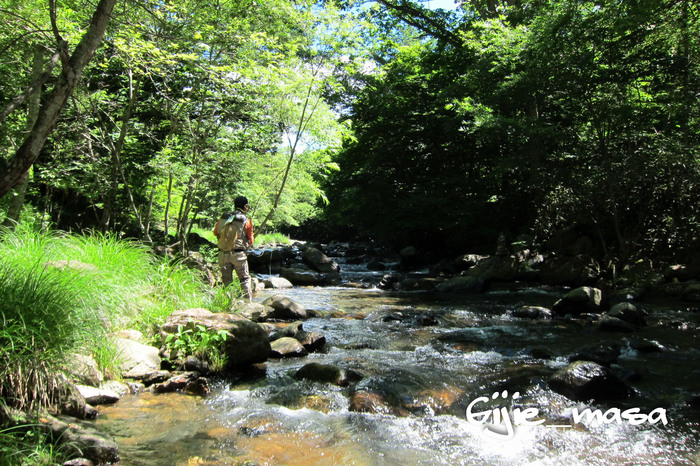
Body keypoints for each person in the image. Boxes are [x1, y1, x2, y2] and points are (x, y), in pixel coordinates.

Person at [213, 196, 254, 301]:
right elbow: (251, 240)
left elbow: (215, 232)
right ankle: (247, 304)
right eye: (247, 206)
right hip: (238, 255)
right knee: (244, 279)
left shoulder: (224, 217)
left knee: (227, 281)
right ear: (245, 206)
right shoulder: (246, 220)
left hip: (223, 254)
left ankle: (229, 304)